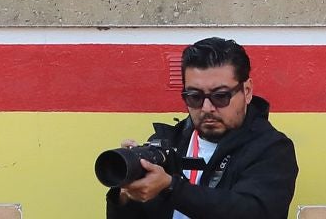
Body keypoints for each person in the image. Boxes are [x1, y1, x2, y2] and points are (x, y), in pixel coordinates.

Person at [105, 37, 298, 219]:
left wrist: (172, 187)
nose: (207, 108)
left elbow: (252, 212)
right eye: (195, 97)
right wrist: (125, 195)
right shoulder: (169, 143)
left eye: (220, 96)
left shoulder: (272, 149)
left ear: (246, 91)